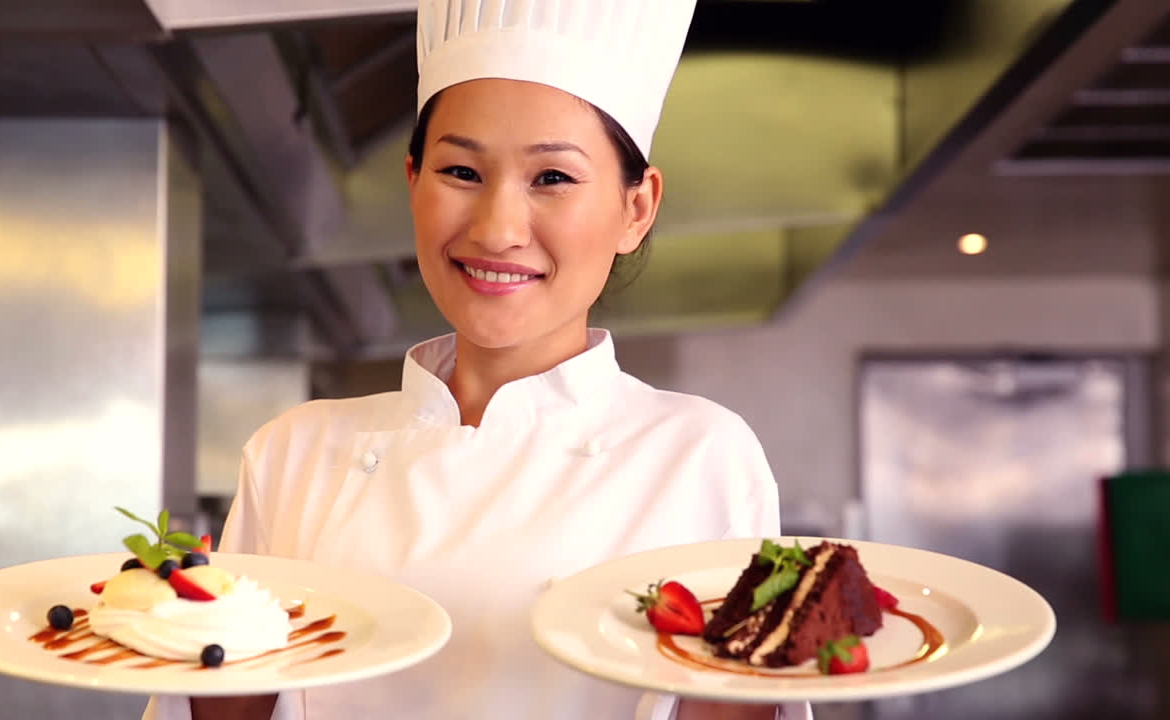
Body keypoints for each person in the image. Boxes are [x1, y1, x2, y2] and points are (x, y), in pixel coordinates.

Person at [146, 1, 812, 718]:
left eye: (552, 178)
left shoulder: (699, 455)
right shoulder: (294, 452)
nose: (497, 229)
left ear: (636, 208)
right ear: (413, 183)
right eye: (461, 171)